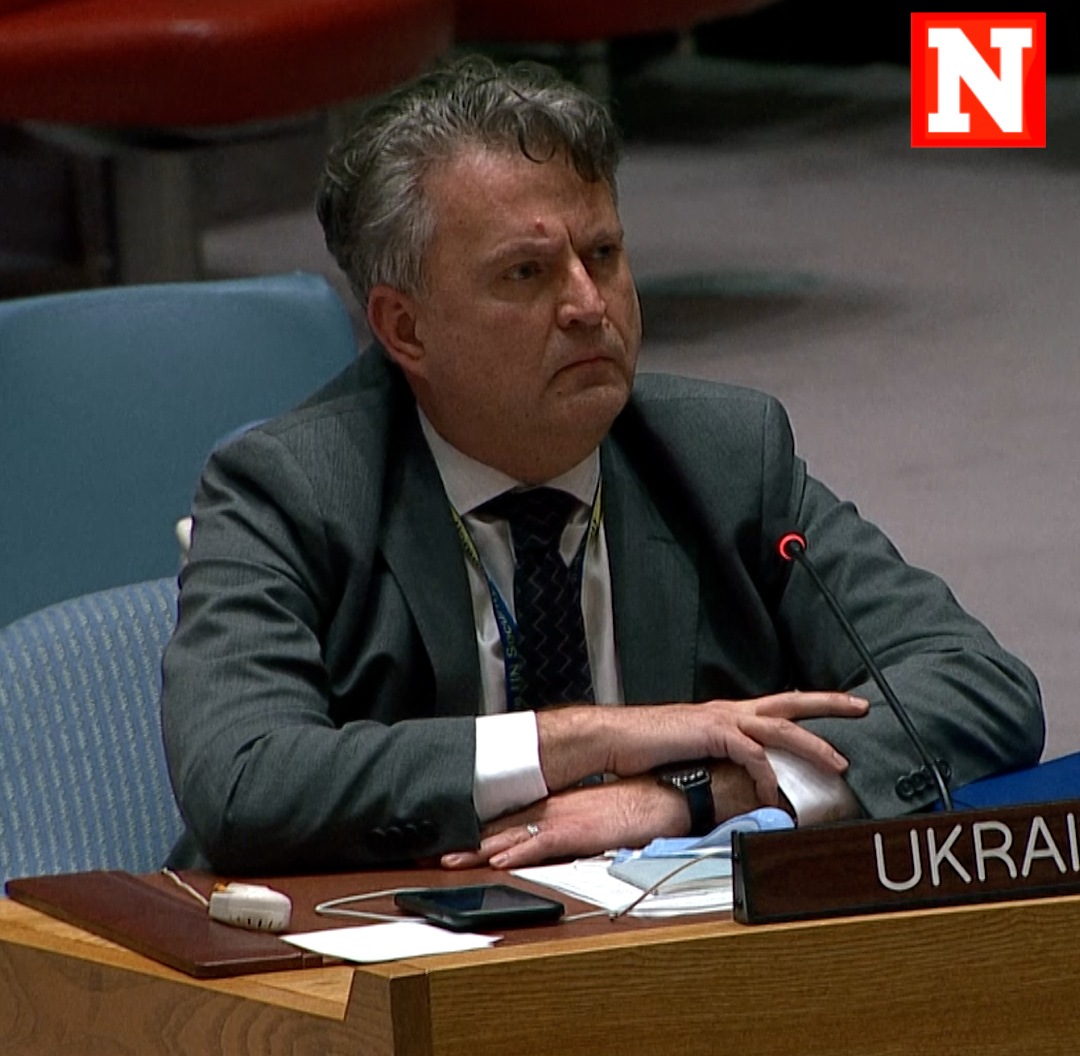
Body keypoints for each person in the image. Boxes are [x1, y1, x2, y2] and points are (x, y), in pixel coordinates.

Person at [161, 57, 1044, 876]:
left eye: (604, 256)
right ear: (405, 327)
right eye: (526, 273)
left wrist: (691, 795)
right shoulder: (289, 488)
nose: (589, 305)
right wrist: (584, 740)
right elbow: (243, 781)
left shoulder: (724, 455)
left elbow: (976, 688)